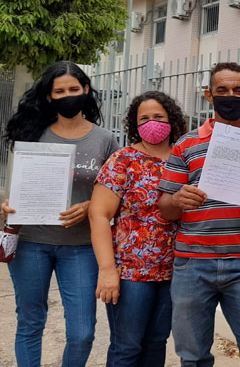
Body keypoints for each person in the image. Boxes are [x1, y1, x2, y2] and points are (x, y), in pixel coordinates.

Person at [157, 61, 240, 367]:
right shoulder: (186, 144)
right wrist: (178, 199)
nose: (230, 95)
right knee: (192, 357)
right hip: (192, 265)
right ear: (209, 95)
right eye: (222, 90)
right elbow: (165, 208)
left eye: (238, 90)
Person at [1, 61, 120, 367]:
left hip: (81, 247)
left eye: (74, 89)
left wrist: (92, 205)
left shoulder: (105, 140)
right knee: (30, 322)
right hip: (30, 242)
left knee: (82, 333)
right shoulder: (30, 134)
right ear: (49, 96)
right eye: (60, 91)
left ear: (86, 91)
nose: (68, 95)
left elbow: (119, 191)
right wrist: (5, 204)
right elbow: (13, 186)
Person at [89, 91, 188, 367]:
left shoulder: (183, 161)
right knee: (127, 347)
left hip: (174, 271)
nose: (151, 123)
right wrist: (107, 270)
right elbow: (98, 214)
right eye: (144, 118)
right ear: (134, 123)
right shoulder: (123, 160)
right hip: (131, 271)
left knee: (157, 344)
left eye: (159, 117)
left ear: (172, 120)